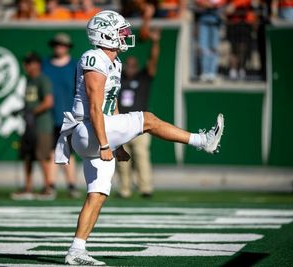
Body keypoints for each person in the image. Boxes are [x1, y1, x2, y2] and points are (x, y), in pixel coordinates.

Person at [54, 10, 224, 265]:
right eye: (120, 31)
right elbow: (94, 109)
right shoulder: (94, 58)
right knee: (148, 119)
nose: (125, 35)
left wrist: (117, 143)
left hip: (99, 130)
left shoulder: (115, 62)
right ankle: (202, 141)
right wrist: (103, 143)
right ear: (106, 35)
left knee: (97, 194)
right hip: (87, 130)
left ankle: (76, 250)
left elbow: (112, 110)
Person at [116, 29, 161, 199]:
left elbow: (153, 61)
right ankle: (125, 189)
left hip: (140, 124)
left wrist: (155, 43)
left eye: (134, 65)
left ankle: (145, 187)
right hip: (121, 124)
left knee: (142, 157)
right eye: (128, 64)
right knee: (122, 160)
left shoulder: (143, 78)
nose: (131, 68)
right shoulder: (118, 78)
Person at [11, 52, 55, 200]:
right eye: (26, 62)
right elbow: (30, 101)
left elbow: (48, 102)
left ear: (37, 64)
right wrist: (22, 111)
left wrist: (32, 112)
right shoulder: (29, 81)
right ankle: (28, 188)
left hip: (42, 125)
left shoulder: (42, 80)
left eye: (30, 63)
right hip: (29, 125)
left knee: (42, 156)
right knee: (27, 156)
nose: (27, 66)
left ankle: (48, 187)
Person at [42, 33, 80, 199]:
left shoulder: (75, 66)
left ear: (68, 47)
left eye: (63, 45)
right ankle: (50, 185)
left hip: (70, 116)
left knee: (68, 153)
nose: (59, 47)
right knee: (50, 152)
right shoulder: (45, 66)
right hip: (48, 116)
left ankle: (71, 186)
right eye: (57, 44)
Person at [196, 0, 226, 83]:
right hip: (204, 20)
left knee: (214, 47)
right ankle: (205, 72)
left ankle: (212, 72)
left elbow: (222, 2)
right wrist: (207, 4)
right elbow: (199, 2)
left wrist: (214, 5)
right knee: (203, 48)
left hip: (216, 20)